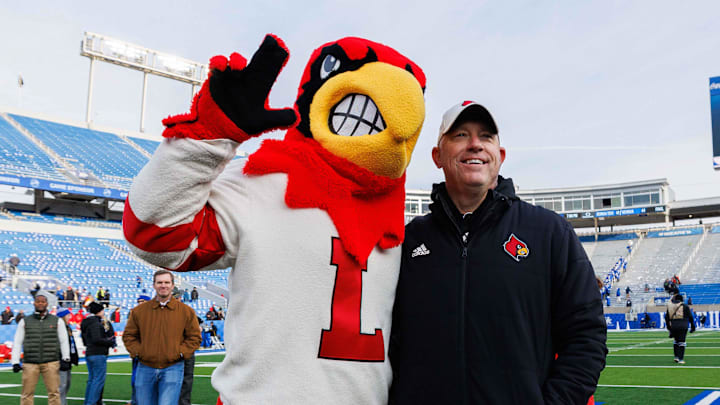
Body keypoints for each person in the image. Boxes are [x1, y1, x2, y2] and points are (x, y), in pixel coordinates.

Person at [390, 101, 607, 404]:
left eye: (486, 136)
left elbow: (586, 337)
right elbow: (389, 344)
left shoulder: (549, 233)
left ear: (500, 156)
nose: (475, 144)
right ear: (437, 156)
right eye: (461, 135)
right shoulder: (409, 241)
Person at [122, 270, 200, 405]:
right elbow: (129, 336)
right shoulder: (139, 311)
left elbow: (194, 337)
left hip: (173, 367)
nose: (163, 285)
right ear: (154, 285)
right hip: (145, 367)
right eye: (159, 282)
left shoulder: (186, 311)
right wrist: (139, 352)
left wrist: (180, 353)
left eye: (166, 282)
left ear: (172, 285)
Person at [11, 291, 71, 405]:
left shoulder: (57, 321)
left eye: (43, 302)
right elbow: (18, 342)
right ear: (34, 303)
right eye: (38, 301)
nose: (40, 304)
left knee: (54, 393)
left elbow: (64, 341)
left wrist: (66, 358)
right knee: (27, 394)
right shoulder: (25, 321)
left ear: (46, 303)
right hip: (30, 363)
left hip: (51, 362)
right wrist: (15, 361)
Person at [81, 301, 116, 405]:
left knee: (92, 380)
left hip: (90, 352)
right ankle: (91, 403)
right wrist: (110, 342)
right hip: (98, 353)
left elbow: (85, 340)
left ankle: (88, 401)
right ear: (100, 311)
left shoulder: (86, 322)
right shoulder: (96, 323)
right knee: (98, 380)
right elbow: (97, 339)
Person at [665, 293, 695, 364]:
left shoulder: (670, 306)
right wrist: (693, 327)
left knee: (676, 341)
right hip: (683, 325)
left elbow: (666, 318)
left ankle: (676, 357)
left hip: (673, 325)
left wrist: (669, 328)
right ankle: (681, 359)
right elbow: (690, 317)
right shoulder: (685, 306)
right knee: (682, 342)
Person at [57, 309, 79, 405]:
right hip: (61, 359)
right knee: (61, 386)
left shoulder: (67, 327)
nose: (70, 317)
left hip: (68, 359)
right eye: (68, 315)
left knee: (67, 384)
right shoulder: (58, 328)